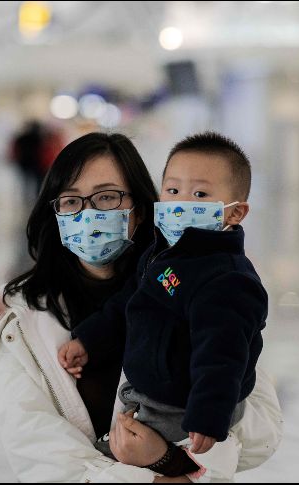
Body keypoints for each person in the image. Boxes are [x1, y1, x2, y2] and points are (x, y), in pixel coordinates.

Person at [0, 132, 282, 483]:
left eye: (107, 197)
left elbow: (259, 430)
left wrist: (173, 456)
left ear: (139, 210)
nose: (88, 213)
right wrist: (165, 473)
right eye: (70, 202)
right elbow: (47, 463)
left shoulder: (206, 287)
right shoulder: (23, 324)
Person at [58, 132, 265, 481]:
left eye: (199, 194)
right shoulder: (162, 253)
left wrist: (208, 415)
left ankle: (171, 467)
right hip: (154, 392)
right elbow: (128, 304)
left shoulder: (227, 278)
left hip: (182, 405)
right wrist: (88, 339)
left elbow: (224, 354)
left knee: (125, 458)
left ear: (236, 212)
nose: (181, 202)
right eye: (172, 191)